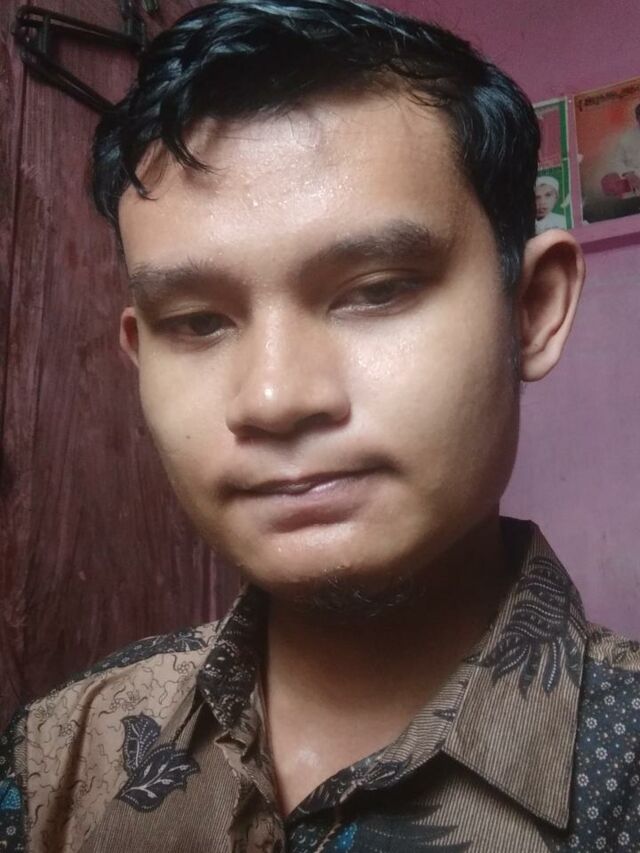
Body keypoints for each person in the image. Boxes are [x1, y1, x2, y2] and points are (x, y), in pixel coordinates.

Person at [1, 0, 639, 850]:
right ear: (140, 354)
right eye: (196, 321)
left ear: (531, 308)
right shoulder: (55, 755)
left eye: (374, 290)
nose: (274, 398)